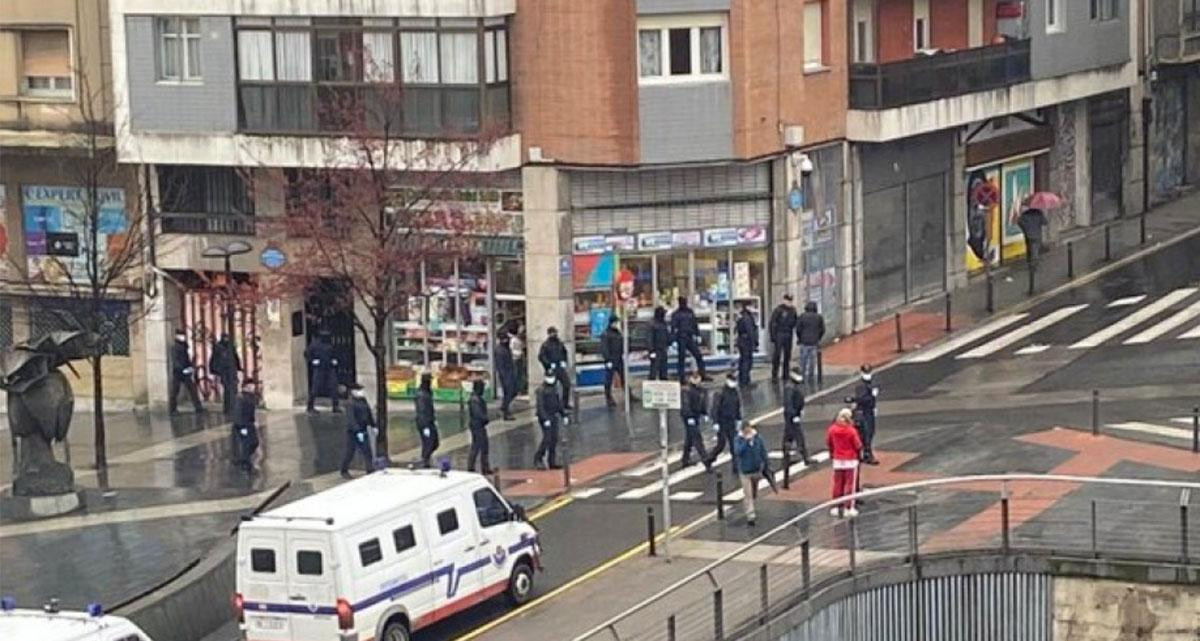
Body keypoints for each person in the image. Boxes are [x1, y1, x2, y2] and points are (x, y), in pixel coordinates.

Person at [826, 408, 863, 518]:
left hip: (837, 459)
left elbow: (828, 442)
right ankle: (848, 508)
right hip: (850, 460)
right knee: (849, 485)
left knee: (837, 484)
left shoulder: (832, 429)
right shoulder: (851, 431)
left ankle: (835, 507)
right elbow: (857, 445)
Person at [705, 372, 742, 476]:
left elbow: (737, 406)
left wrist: (738, 419)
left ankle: (736, 466)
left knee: (734, 444)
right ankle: (709, 459)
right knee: (721, 444)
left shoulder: (735, 392)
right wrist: (715, 422)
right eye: (732, 380)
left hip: (731, 421)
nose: (734, 383)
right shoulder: (721, 393)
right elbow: (715, 408)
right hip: (722, 421)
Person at [733, 421, 769, 526]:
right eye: (744, 431)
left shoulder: (757, 438)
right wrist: (746, 442)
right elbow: (738, 452)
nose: (746, 432)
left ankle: (751, 506)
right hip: (744, 471)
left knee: (753, 493)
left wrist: (766, 464)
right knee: (747, 494)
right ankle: (750, 515)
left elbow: (763, 451)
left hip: (756, 470)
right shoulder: (738, 440)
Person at [340, 383, 376, 479]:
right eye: (359, 390)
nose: (361, 392)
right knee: (350, 452)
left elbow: (368, 413)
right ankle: (344, 470)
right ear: (353, 392)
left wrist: (373, 425)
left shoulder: (363, 401)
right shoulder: (350, 403)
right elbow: (351, 419)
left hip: (363, 429)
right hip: (353, 432)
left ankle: (370, 468)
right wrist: (357, 431)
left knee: (367, 450)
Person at [671, 297, 709, 382]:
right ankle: (683, 378)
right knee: (684, 358)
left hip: (687, 337)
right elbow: (674, 328)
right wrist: (673, 339)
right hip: (683, 337)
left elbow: (694, 324)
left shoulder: (681, 313)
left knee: (695, 356)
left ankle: (701, 375)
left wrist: (697, 334)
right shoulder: (685, 313)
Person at [679, 371, 711, 471]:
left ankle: (685, 459)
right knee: (697, 439)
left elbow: (702, 403)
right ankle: (706, 461)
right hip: (689, 417)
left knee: (689, 438)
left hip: (696, 416)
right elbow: (685, 405)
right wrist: (689, 417)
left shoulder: (702, 390)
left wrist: (704, 413)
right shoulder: (687, 391)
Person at [534, 373, 567, 470]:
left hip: (554, 415)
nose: (551, 379)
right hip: (545, 417)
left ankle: (551, 461)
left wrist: (563, 414)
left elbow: (559, 403)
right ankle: (538, 458)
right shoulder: (541, 390)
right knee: (547, 438)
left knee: (554, 439)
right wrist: (545, 419)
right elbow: (540, 406)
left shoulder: (555, 388)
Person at [169, 329, 204, 415]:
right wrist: (183, 369)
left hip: (185, 371)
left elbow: (186, 359)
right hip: (178, 372)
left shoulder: (184, 346)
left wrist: (190, 367)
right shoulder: (175, 347)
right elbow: (176, 360)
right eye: (181, 335)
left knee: (192, 390)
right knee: (175, 391)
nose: (183, 337)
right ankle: (172, 409)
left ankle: (198, 407)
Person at [305, 331, 340, 414]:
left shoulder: (330, 344)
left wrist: (334, 360)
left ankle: (335, 406)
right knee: (315, 388)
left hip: (329, 367)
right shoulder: (315, 344)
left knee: (333, 386)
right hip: (319, 368)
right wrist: (313, 361)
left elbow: (336, 353)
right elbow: (307, 353)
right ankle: (310, 407)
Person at [851, 364, 880, 465]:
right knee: (866, 433)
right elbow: (861, 399)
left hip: (870, 410)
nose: (868, 374)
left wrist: (874, 406)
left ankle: (864, 453)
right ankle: (867, 454)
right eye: (866, 372)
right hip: (863, 412)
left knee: (870, 432)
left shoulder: (871, 383)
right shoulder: (861, 386)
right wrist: (871, 395)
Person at [782, 368, 811, 464]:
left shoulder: (795, 385)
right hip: (792, 415)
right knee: (799, 436)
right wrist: (794, 415)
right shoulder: (790, 387)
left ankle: (786, 456)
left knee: (789, 436)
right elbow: (788, 402)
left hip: (794, 414)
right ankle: (805, 457)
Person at [538, 327, 571, 409]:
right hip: (551, 369)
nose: (554, 334)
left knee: (566, 384)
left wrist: (564, 361)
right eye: (552, 333)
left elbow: (564, 352)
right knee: (551, 388)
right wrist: (548, 365)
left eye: (555, 332)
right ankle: (552, 405)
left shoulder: (560, 343)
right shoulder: (545, 345)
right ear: (549, 334)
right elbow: (541, 356)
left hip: (560, 367)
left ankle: (565, 404)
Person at [232, 379, 260, 472]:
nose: (253, 388)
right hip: (243, 425)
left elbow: (251, 411)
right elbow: (238, 413)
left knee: (254, 442)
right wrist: (241, 427)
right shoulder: (240, 398)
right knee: (246, 444)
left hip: (249, 424)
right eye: (251, 386)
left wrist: (254, 421)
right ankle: (246, 464)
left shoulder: (251, 397)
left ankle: (245, 461)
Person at [796, 302, 825, 389]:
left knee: (803, 361)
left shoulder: (802, 317)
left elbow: (798, 329)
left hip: (804, 342)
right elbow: (822, 329)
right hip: (814, 342)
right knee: (812, 361)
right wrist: (818, 337)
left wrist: (800, 338)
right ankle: (811, 377)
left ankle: (802, 376)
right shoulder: (819, 317)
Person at [768, 295, 798, 381]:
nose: (789, 302)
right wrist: (773, 336)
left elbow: (795, 322)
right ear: (784, 300)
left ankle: (786, 374)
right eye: (788, 300)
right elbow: (772, 323)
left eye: (790, 301)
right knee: (777, 355)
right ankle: (774, 375)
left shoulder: (793, 310)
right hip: (779, 334)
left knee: (787, 355)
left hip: (788, 333)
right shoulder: (778, 310)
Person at [210, 334, 241, 415]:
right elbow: (214, 359)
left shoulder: (230, 346)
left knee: (233, 389)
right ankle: (228, 408)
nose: (226, 339)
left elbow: (235, 357)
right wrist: (215, 370)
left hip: (231, 370)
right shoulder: (218, 347)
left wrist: (238, 367)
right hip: (224, 371)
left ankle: (232, 407)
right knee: (228, 389)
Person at [467, 379, 492, 474]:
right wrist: (485, 418)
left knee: (482, 446)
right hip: (477, 426)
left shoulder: (476, 398)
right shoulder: (475, 400)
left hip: (478, 425)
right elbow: (478, 413)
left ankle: (483, 467)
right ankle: (472, 467)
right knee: (478, 446)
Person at [414, 373, 439, 468]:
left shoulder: (427, 392)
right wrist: (425, 426)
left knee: (434, 442)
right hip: (425, 423)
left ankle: (426, 459)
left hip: (430, 421)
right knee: (428, 443)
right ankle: (425, 461)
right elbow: (421, 411)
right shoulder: (421, 395)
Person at [600, 315, 625, 407]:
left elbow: (621, 343)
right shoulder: (606, 334)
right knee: (608, 379)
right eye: (615, 322)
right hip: (611, 359)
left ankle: (628, 394)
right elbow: (604, 347)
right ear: (611, 323)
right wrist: (607, 359)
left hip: (618, 358)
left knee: (623, 376)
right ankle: (608, 397)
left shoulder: (617, 332)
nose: (616, 324)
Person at [494, 332, 518, 421]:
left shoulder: (505, 348)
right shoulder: (500, 350)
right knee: (508, 393)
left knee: (513, 391)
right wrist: (504, 376)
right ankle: (506, 411)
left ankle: (504, 407)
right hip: (506, 375)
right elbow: (500, 366)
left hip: (510, 373)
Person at [734, 303, 758, 386]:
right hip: (746, 341)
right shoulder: (747, 317)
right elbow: (750, 330)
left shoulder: (741, 316)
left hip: (741, 340)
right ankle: (745, 381)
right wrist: (754, 342)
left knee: (743, 359)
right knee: (746, 361)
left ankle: (743, 379)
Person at [648, 306, 672, 381]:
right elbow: (650, 338)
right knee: (654, 368)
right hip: (656, 349)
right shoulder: (653, 324)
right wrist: (651, 350)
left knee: (664, 367)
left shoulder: (663, 323)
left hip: (663, 348)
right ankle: (652, 384)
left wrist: (669, 341)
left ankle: (663, 381)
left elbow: (667, 335)